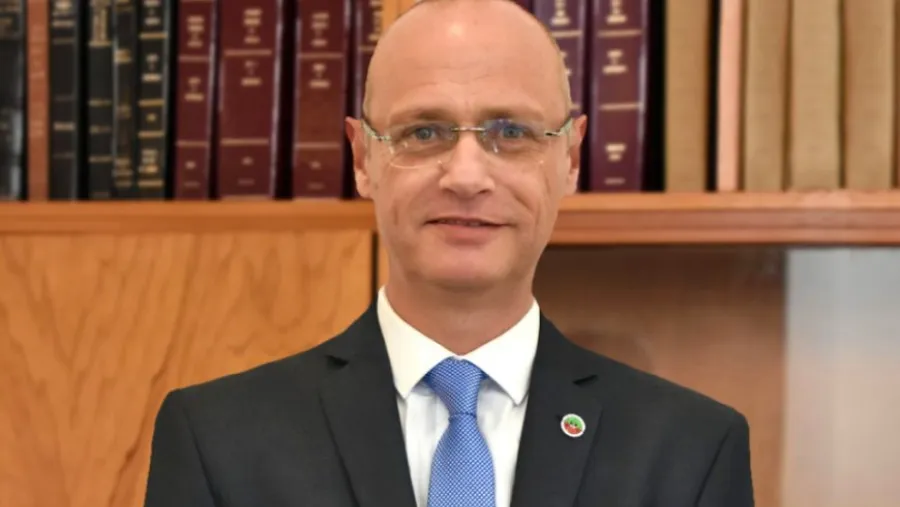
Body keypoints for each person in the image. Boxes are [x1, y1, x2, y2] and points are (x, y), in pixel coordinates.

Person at [143, 0, 755, 506]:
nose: (466, 176)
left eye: (511, 132)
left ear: (570, 158)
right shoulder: (218, 441)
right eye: (424, 132)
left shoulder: (691, 451)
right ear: (362, 158)